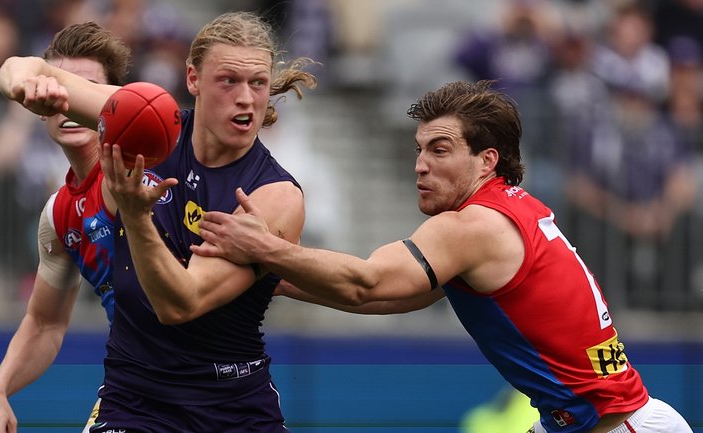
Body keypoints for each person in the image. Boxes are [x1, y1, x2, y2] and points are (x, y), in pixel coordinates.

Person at [191, 80, 694, 433]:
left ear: (486, 160)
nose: (420, 166)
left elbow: (367, 283)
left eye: (439, 150)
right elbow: (394, 298)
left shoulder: (471, 227)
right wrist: (274, 277)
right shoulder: (508, 210)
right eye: (418, 149)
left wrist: (265, 248)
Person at [0, 11, 317, 433]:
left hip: (232, 405)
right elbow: (20, 67)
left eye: (258, 83)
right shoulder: (136, 138)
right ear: (192, 79)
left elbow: (180, 304)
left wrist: (133, 212)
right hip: (135, 399)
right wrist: (24, 83)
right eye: (228, 81)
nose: (246, 98)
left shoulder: (270, 194)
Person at [0, 21, 131, 433]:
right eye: (58, 88)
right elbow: (45, 323)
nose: (68, 101)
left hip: (219, 383)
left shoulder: (146, 159)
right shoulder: (59, 214)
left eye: (84, 90)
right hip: (134, 389)